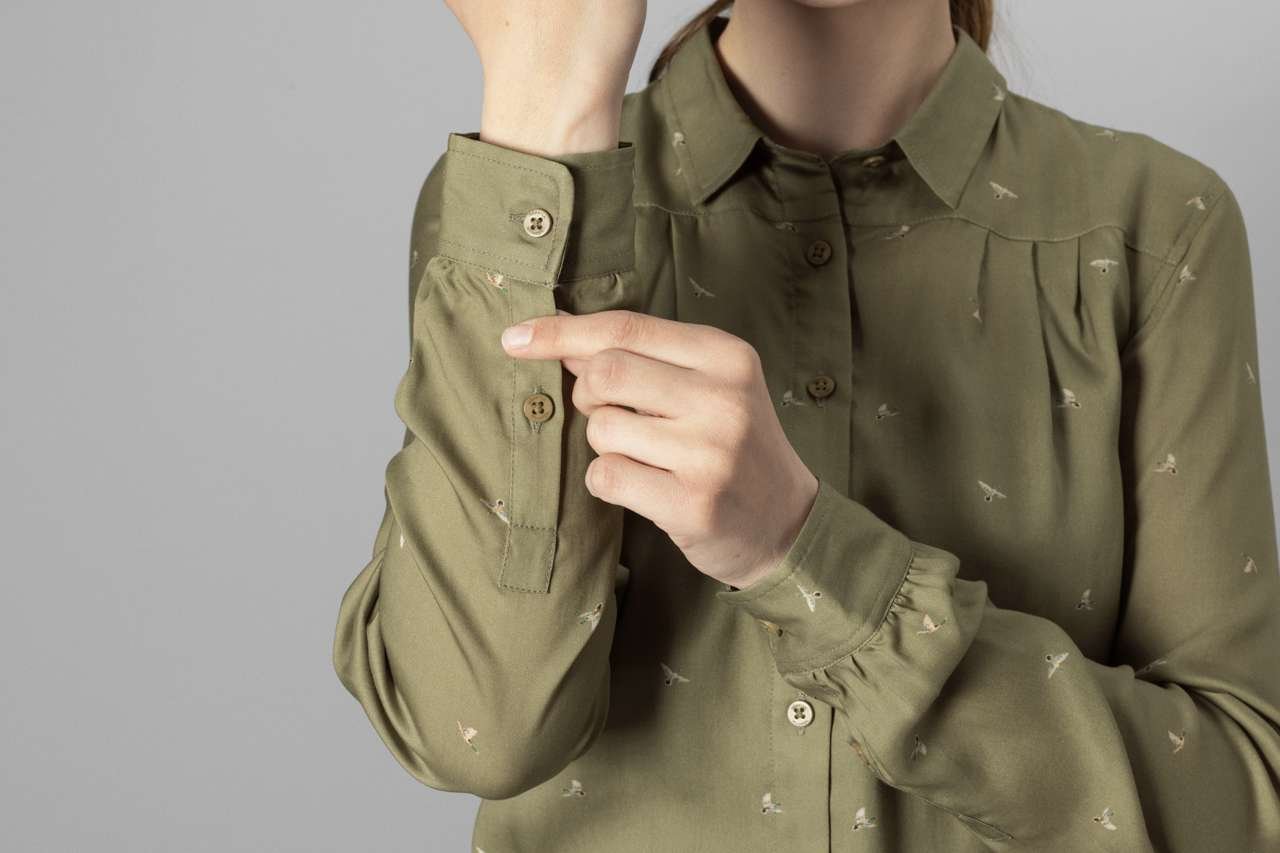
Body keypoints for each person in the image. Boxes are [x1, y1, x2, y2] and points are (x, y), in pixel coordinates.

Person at [332, 1, 1280, 850]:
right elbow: (480, 730)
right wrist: (547, 96)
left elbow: (1239, 810)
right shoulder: (520, 195)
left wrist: (802, 549)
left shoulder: (1152, 233)